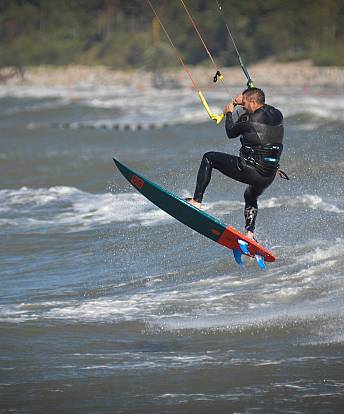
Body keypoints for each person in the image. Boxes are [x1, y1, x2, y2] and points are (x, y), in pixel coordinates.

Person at [186, 87, 284, 240]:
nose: (243, 106)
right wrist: (244, 97)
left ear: (252, 102)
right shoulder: (278, 114)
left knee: (209, 158)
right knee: (250, 196)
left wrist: (230, 111)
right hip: (268, 176)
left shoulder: (248, 119)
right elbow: (262, 104)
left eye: (244, 103)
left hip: (251, 169)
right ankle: (250, 233)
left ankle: (196, 201)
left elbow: (230, 132)